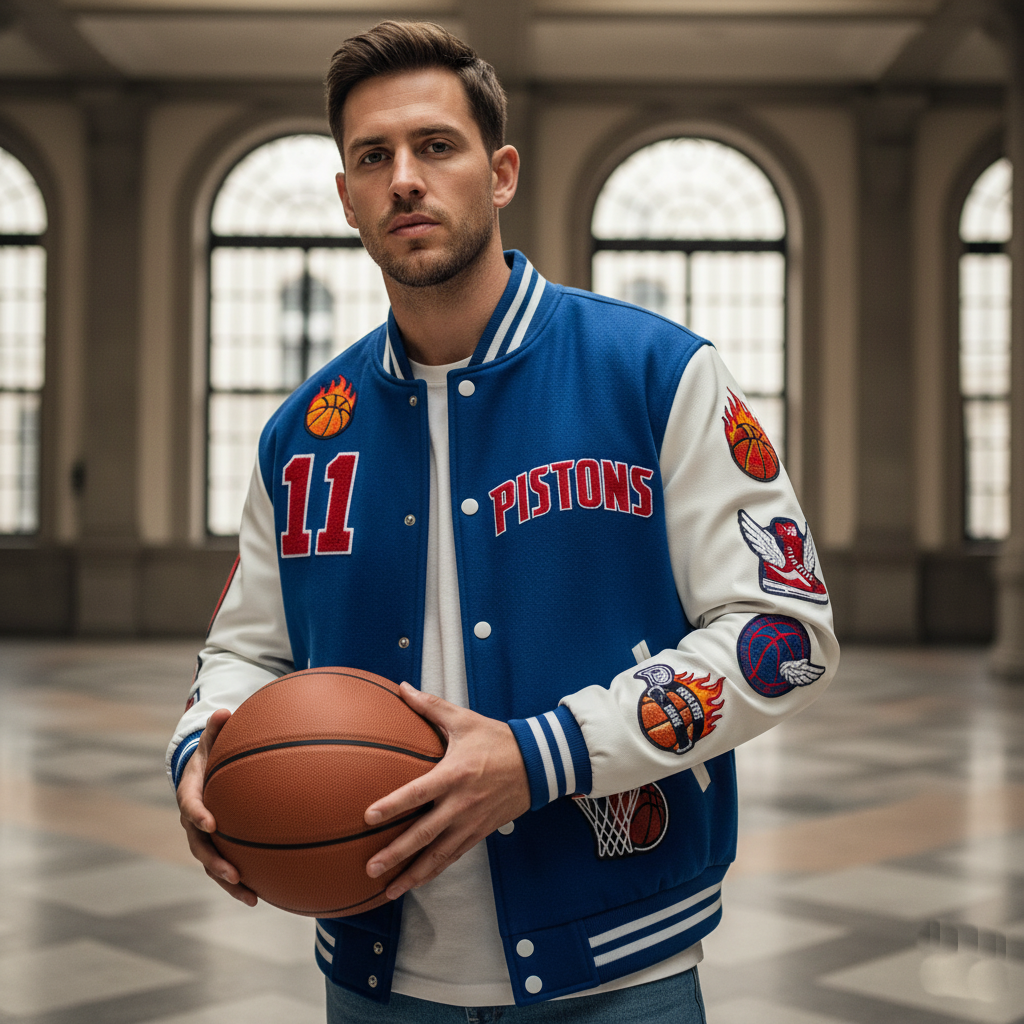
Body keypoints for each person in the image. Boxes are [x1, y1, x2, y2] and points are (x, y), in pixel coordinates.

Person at [168, 20, 839, 1023]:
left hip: (619, 965)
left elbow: (781, 634)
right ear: (344, 197)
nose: (405, 178)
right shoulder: (302, 435)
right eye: (372, 156)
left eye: (436, 145)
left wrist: (539, 758)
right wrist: (201, 755)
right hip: (373, 970)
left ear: (501, 171)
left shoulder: (656, 376)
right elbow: (244, 652)